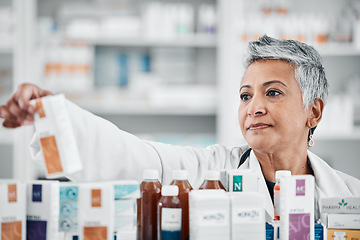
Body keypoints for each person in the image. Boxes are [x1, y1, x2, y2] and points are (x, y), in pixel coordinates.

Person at [1, 35, 359, 221]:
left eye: (273, 92)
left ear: (314, 112)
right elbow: (134, 157)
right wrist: (54, 114)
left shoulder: (350, 195)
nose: (254, 107)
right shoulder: (210, 172)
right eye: (245, 95)